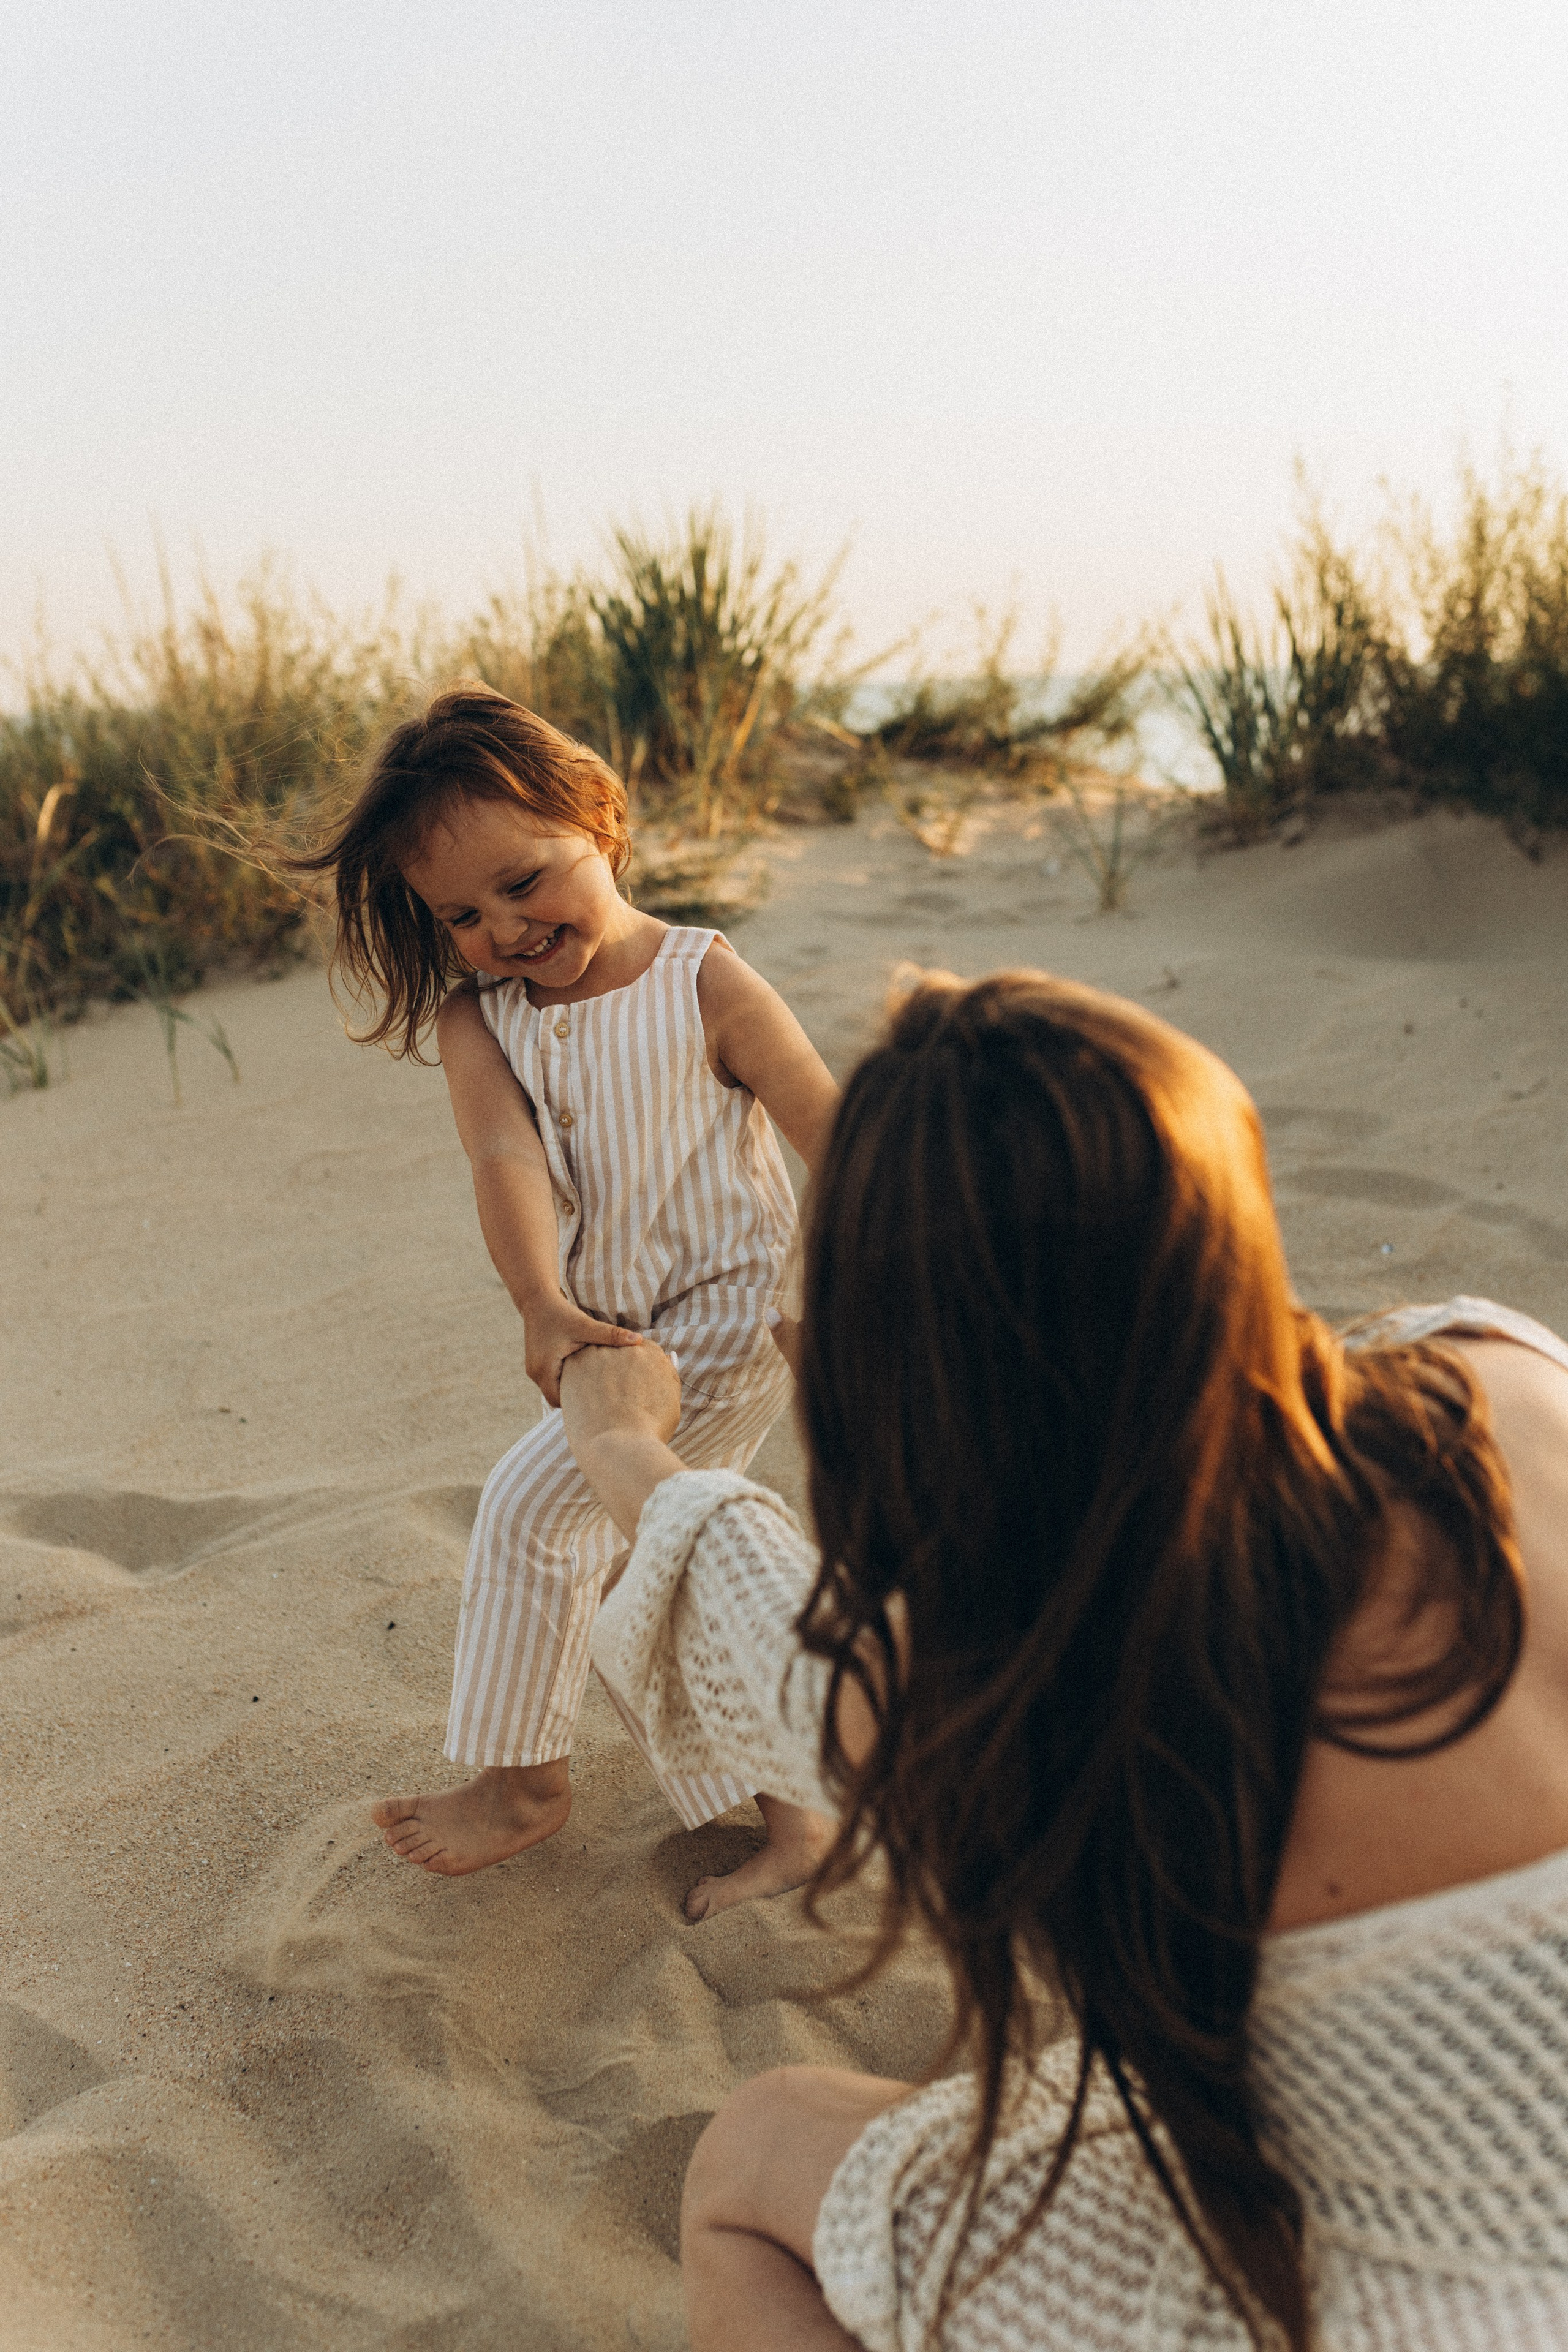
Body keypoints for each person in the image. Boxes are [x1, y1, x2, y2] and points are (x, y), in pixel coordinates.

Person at [557, 966, 1568, 2349]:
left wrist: (622, 1446)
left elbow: (778, 1651)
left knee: (756, 2157)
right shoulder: (1505, 1374)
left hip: (1435, 2308)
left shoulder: (1037, 1700)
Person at [296, 685, 838, 1917]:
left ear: (599, 818)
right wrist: (536, 1301)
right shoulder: (478, 1022)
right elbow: (506, 1162)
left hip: (728, 1312)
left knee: (535, 1507)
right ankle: (798, 1814)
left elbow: (825, 1120)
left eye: (526, 881)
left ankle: (523, 1787)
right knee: (629, 1564)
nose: (503, 927)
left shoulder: (704, 980)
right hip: (603, 1332)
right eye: (463, 915)